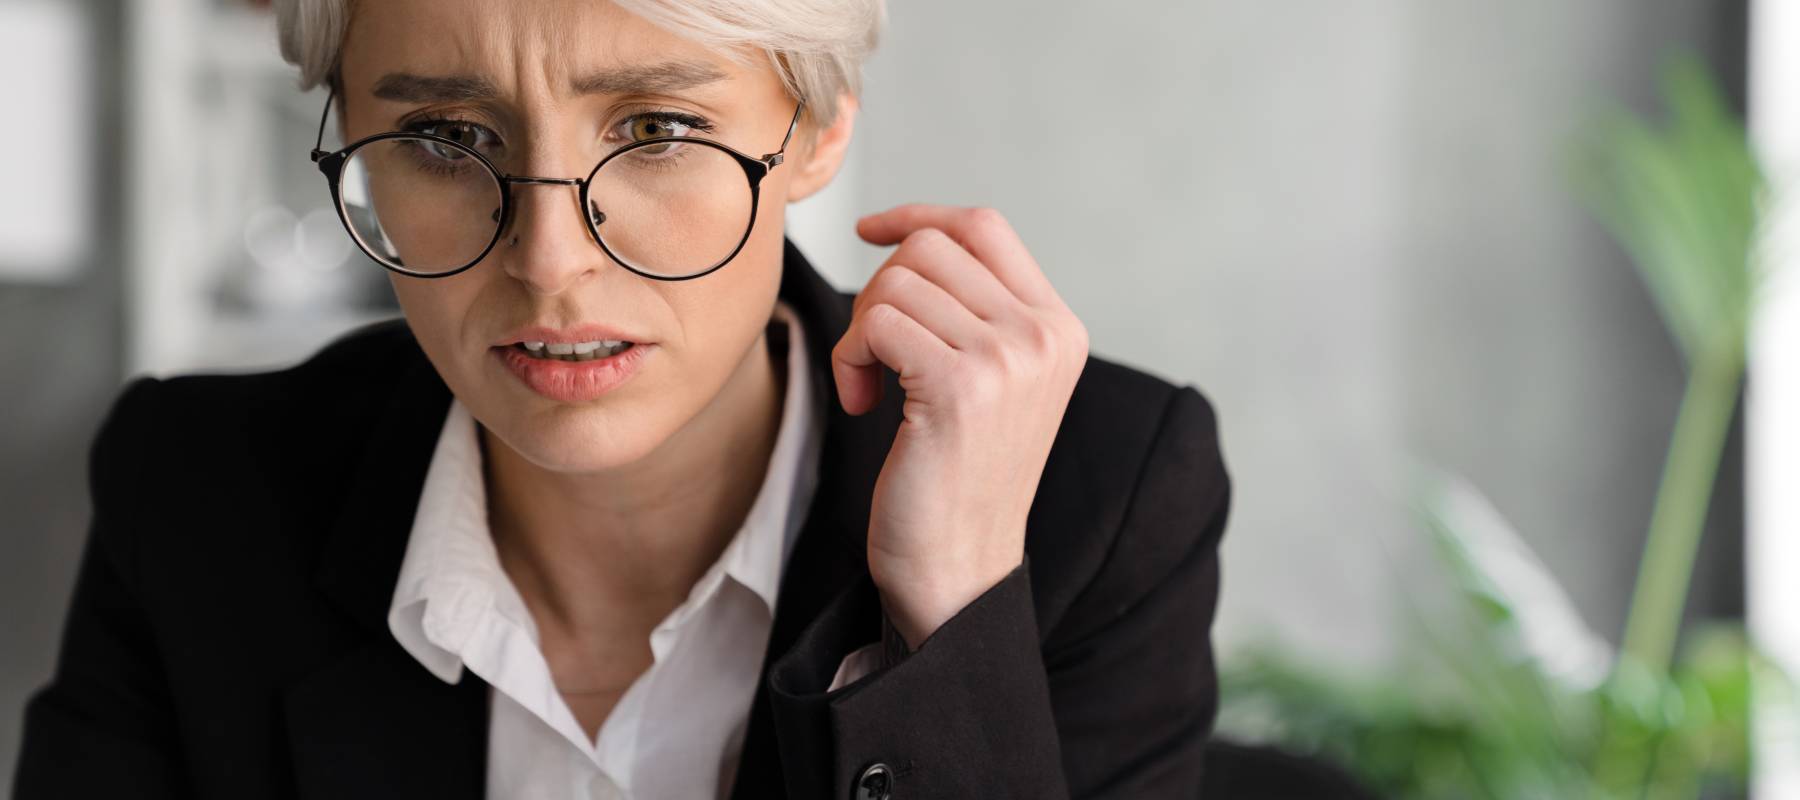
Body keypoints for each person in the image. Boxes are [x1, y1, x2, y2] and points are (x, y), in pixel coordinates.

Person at [12, 0, 1232, 797]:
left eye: (655, 127)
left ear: (816, 128)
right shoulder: (193, 491)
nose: (549, 260)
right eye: (443, 134)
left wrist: (953, 612)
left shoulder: (1096, 498)